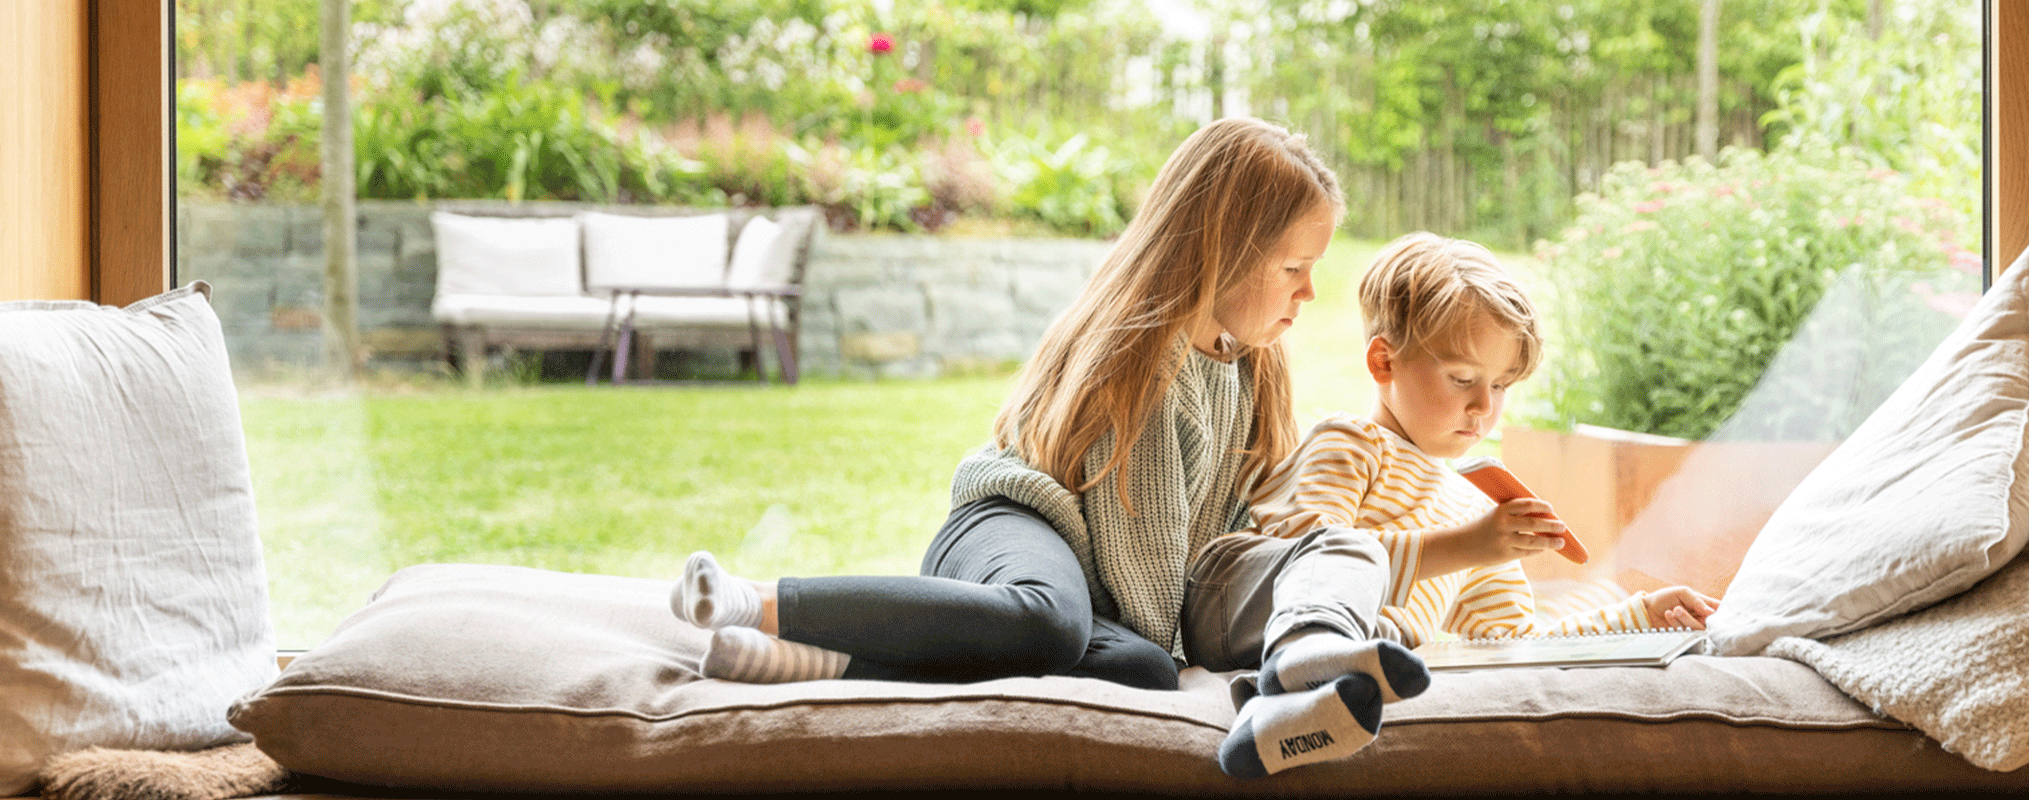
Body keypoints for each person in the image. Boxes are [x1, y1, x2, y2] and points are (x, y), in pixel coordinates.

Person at [663, 116, 1342, 692]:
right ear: (1223, 249)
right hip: (1019, 528)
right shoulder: (1142, 356)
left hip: (1097, 592)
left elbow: (1235, 528)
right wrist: (1190, 657)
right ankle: (758, 604)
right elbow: (1147, 556)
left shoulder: (1253, 365)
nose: (1309, 293)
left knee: (1141, 669)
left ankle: (830, 658)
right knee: (1050, 620)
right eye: (1292, 269)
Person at [1186, 232, 1722, 778]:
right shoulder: (1350, 443)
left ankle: (1275, 726)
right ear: (1383, 363)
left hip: (1333, 653)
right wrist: (1467, 547)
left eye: (1502, 385)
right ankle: (1305, 659)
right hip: (1239, 603)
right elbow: (1303, 556)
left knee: (1390, 651)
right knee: (1343, 564)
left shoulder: (1472, 511)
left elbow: (1515, 644)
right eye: (1463, 378)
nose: (1483, 406)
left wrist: (1641, 616)